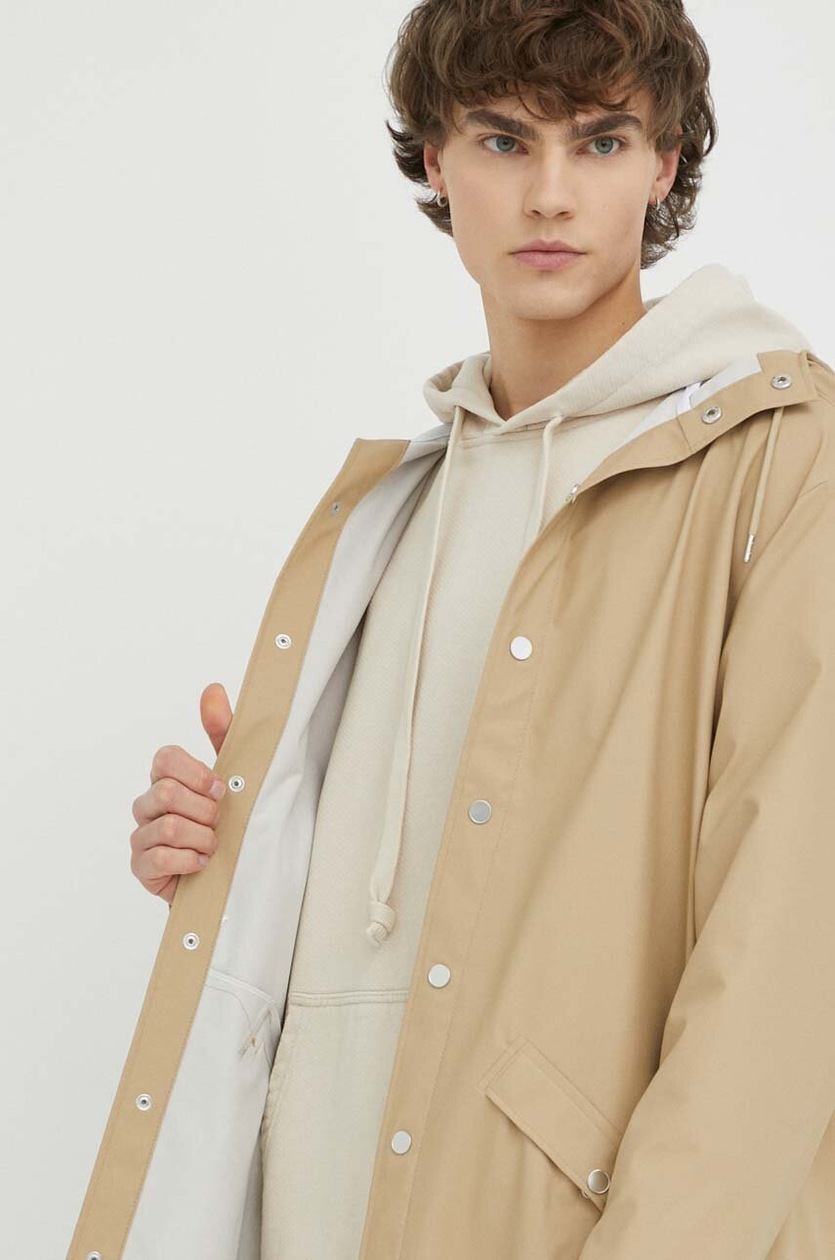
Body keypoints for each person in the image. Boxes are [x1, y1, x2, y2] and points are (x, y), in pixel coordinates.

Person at [69, 1, 835, 1258]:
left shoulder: (776, 465)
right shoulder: (387, 514)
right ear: (434, 160)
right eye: (500, 139)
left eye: (599, 142)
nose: (548, 195)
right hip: (318, 1201)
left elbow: (789, 961)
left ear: (663, 163)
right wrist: (229, 861)